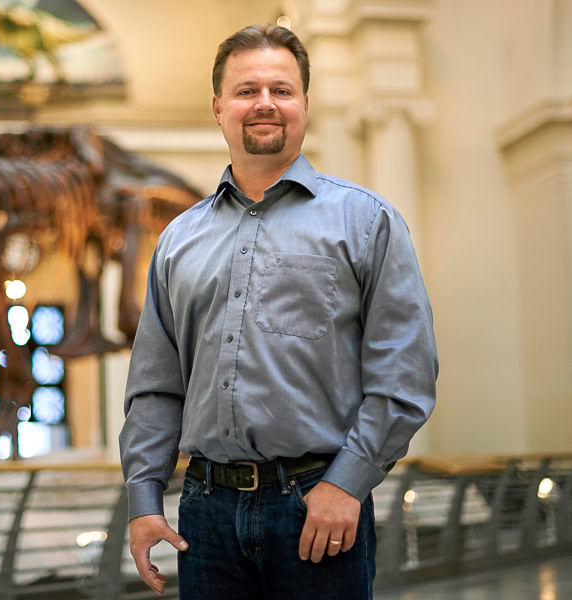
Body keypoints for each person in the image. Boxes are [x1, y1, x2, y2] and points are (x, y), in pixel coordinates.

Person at [119, 23, 438, 599]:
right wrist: (143, 498)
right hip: (204, 515)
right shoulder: (177, 240)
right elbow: (156, 386)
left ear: (305, 105)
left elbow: (404, 374)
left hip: (318, 509)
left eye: (281, 90)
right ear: (219, 108)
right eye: (246, 90)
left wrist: (347, 485)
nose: (264, 103)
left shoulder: (367, 223)